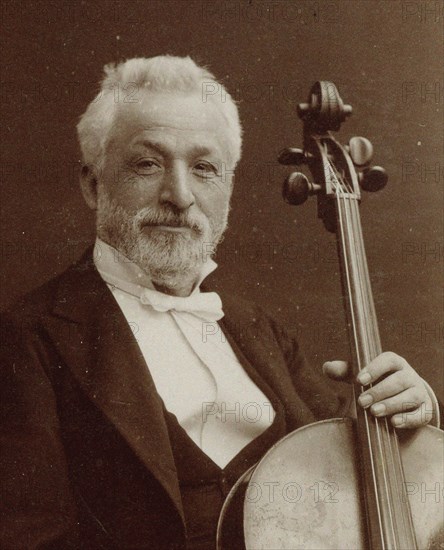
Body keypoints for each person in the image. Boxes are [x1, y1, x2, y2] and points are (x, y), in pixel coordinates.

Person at [0, 56, 440, 550]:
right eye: (148, 164)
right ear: (92, 183)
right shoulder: (26, 337)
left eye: (204, 168)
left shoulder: (257, 328)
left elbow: (355, 460)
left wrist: (411, 412)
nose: (180, 196)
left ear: (228, 189)